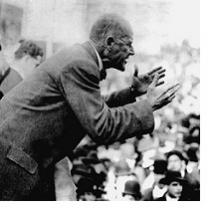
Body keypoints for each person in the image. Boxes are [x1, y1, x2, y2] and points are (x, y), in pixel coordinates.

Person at [0, 13, 179, 200]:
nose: (132, 52)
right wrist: (147, 107)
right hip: (13, 163)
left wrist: (132, 92)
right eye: (128, 44)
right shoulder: (82, 64)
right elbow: (101, 127)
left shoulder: (80, 57)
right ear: (109, 43)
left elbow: (91, 109)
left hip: (16, 159)